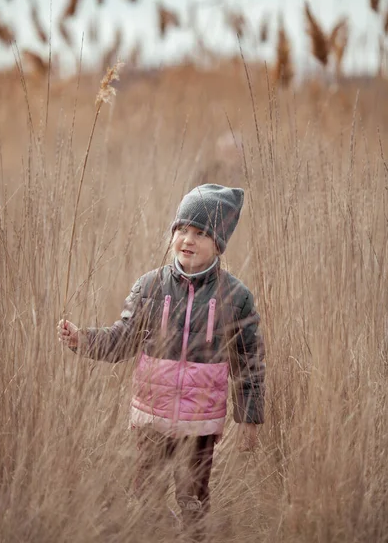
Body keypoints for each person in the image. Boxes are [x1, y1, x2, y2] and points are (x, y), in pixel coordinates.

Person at [57, 183, 265, 538]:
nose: (188, 239)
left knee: (193, 497)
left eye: (201, 233)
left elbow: (250, 365)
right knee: (146, 493)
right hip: (152, 417)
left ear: (219, 242)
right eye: (182, 229)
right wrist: (84, 339)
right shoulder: (150, 287)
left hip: (199, 424)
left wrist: (249, 420)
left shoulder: (235, 297)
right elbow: (122, 339)